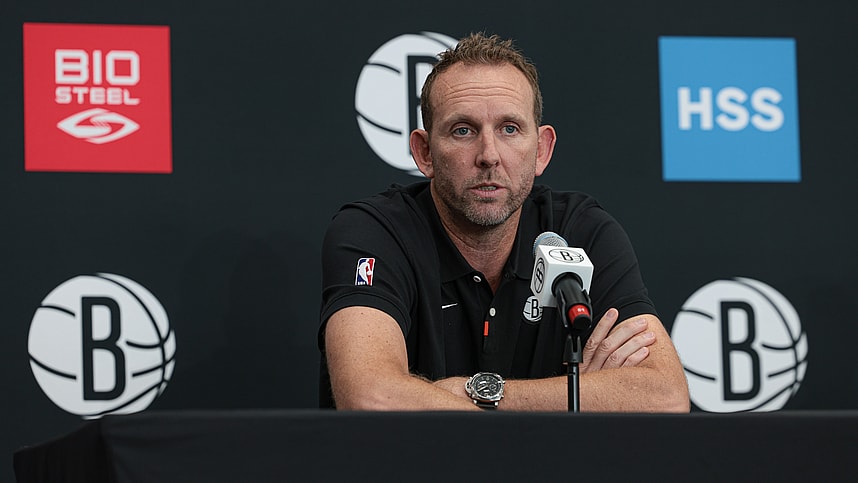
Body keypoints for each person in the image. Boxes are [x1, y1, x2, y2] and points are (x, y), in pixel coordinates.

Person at [318, 32, 689, 412]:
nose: (489, 155)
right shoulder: (374, 232)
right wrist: (581, 396)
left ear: (542, 149)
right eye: (463, 130)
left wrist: (476, 393)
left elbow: (665, 395)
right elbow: (371, 396)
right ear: (424, 152)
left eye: (509, 129)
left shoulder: (582, 231)